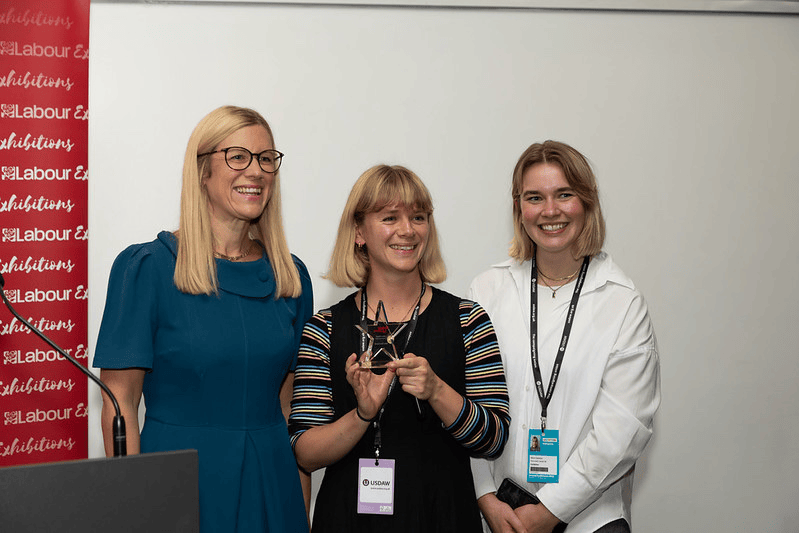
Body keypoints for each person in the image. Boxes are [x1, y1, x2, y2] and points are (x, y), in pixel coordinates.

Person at [93, 106, 312, 532]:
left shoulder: (290, 276)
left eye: (267, 159)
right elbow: (118, 405)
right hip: (177, 483)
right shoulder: (147, 268)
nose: (257, 171)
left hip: (272, 485)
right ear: (202, 173)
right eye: (238, 156)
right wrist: (131, 509)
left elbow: (289, 407)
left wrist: (299, 509)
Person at [288, 164, 511, 532]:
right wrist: (362, 414)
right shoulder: (324, 328)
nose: (407, 230)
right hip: (347, 521)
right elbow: (305, 453)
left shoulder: (468, 319)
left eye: (418, 217)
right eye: (390, 217)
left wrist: (437, 391)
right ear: (359, 231)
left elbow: (494, 438)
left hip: (443, 517)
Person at [469, 141, 661, 533]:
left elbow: (620, 433)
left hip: (590, 519)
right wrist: (484, 494)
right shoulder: (486, 291)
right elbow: (466, 403)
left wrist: (548, 510)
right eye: (534, 197)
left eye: (564, 195)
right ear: (518, 208)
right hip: (498, 517)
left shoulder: (622, 303)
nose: (550, 210)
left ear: (587, 201)